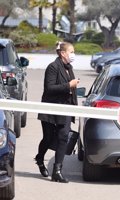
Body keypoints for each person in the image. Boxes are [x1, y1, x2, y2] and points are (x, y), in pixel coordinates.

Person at [34, 41, 79, 183]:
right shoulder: (53, 67)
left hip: (65, 109)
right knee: (48, 138)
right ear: (62, 53)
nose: (73, 54)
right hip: (51, 109)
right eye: (71, 52)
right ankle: (40, 159)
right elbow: (49, 88)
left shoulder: (69, 67)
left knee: (63, 137)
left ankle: (57, 171)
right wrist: (68, 85)